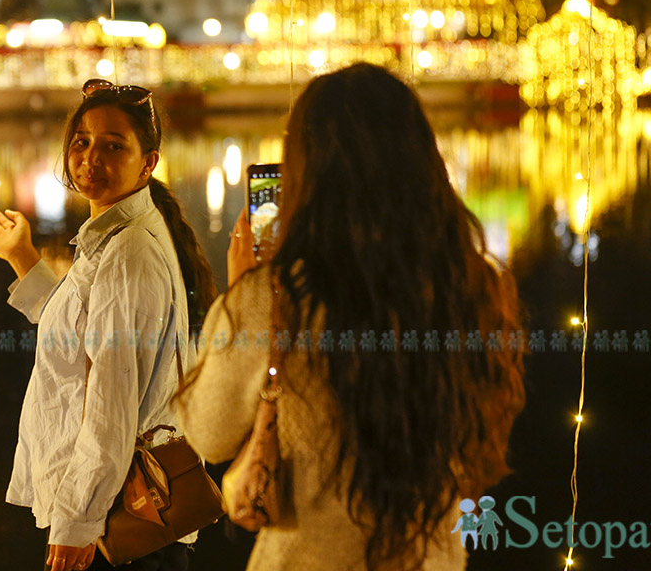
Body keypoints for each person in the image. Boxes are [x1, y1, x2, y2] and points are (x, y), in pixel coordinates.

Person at [177, 63, 525, 571]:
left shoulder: (275, 295)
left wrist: (238, 297)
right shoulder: (470, 284)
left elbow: (208, 433)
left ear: (303, 169)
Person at [0, 79, 217, 571]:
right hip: (122, 512)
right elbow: (82, 331)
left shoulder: (128, 249)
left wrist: (77, 522)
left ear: (147, 162)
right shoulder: (119, 236)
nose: (90, 159)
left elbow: (111, 392)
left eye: (113, 146)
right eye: (82, 142)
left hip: (120, 518)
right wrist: (22, 257)